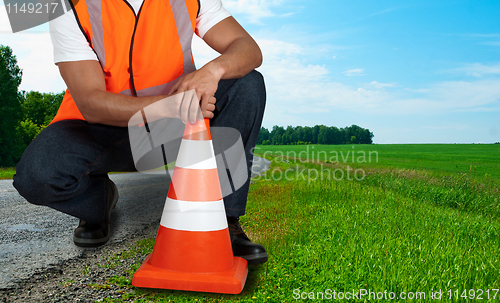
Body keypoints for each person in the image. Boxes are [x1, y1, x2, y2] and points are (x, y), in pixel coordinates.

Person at [13, 0, 268, 265]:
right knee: (36, 175)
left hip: (175, 125)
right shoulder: (69, 6)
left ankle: (223, 222)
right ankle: (99, 202)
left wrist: (212, 71)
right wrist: (172, 106)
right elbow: (90, 102)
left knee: (247, 84)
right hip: (101, 127)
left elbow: (248, 48)